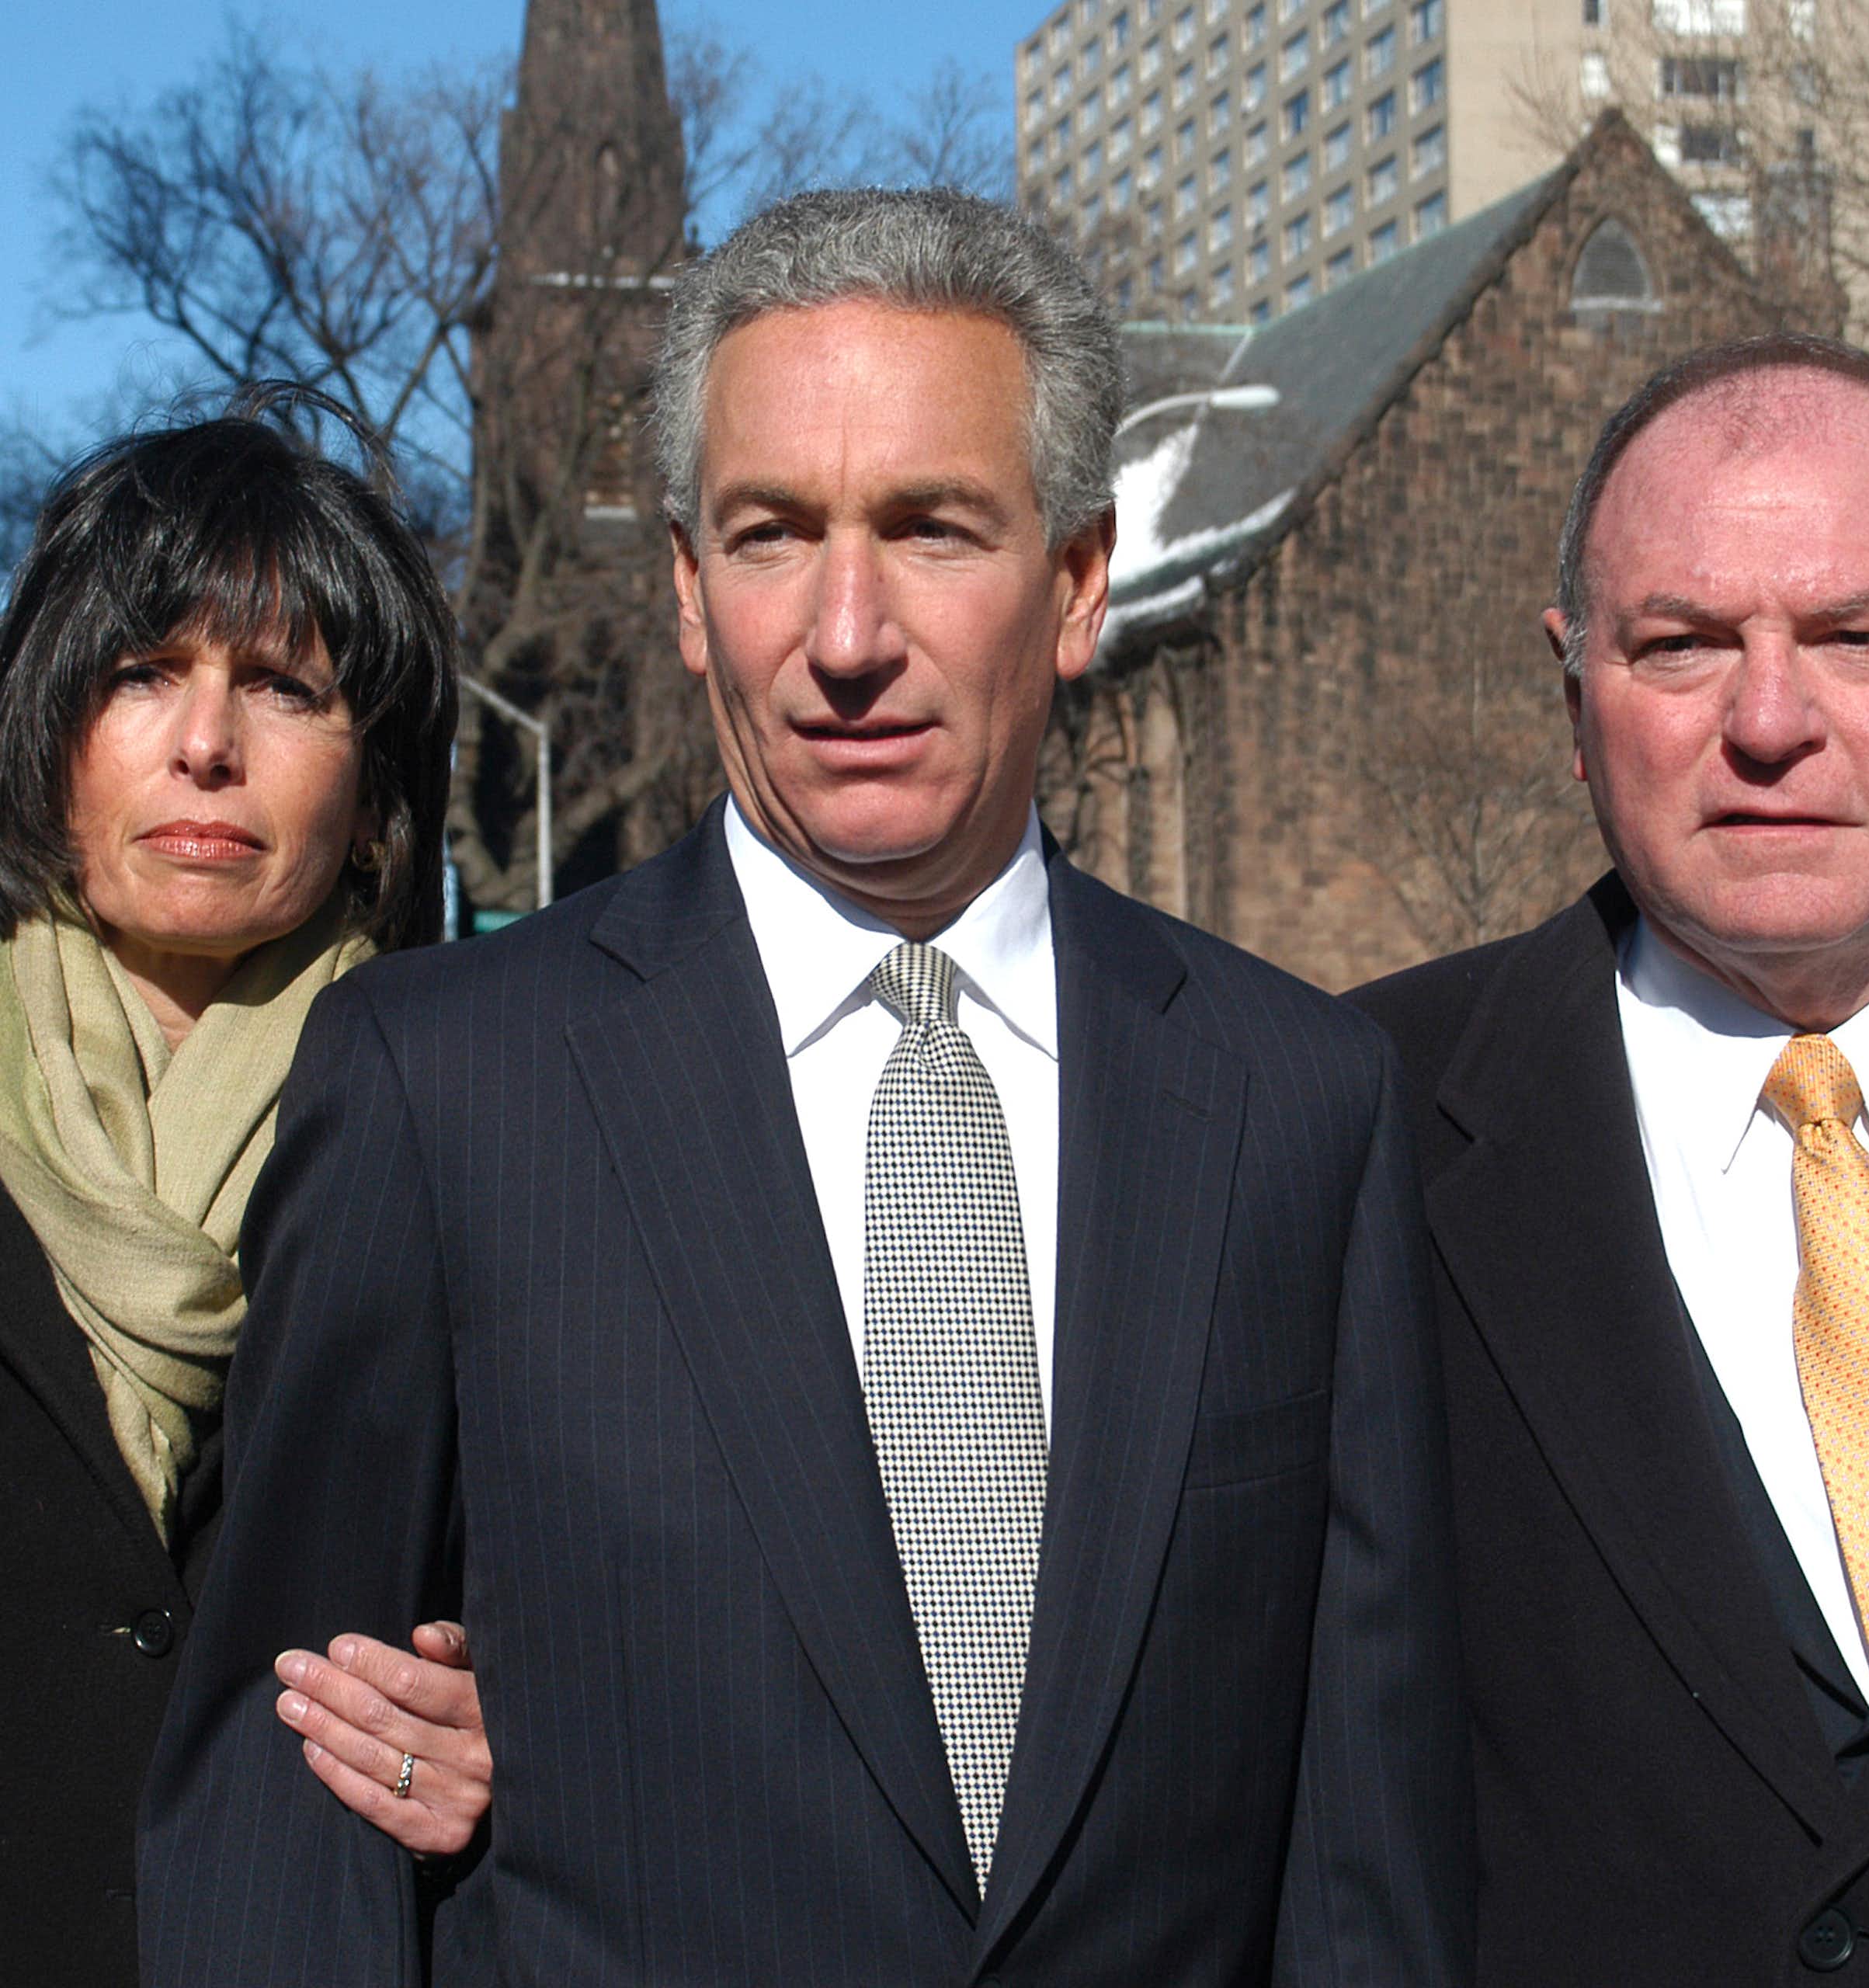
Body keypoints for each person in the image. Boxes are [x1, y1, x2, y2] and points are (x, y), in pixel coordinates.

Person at [140, 188, 1471, 1983]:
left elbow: (1363, 1855)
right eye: (772, 536)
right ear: (689, 593)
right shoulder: (440, 1085)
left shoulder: (1301, 1105)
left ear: (1076, 582)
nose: (847, 633)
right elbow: (282, 1806)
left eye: (931, 529)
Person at [1353, 332, 1869, 1983]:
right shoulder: (1332, 1124)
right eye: (1680, 645)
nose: (1766, 721)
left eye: (1857, 636)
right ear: (1573, 695)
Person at [0, 391, 491, 1985]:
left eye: (284, 685)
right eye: (141, 672)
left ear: (372, 797)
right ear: (45, 735)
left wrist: (528, 1724)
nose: (204, 741)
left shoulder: (498, 1128)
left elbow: (648, 1583)